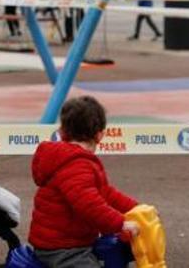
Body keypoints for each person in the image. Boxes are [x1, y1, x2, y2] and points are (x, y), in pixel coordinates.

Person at [29, 96, 140, 268]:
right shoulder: (75, 164)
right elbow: (89, 205)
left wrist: (136, 208)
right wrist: (121, 223)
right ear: (100, 135)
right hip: (61, 248)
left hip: (75, 241)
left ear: (62, 131)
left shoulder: (74, 160)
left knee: (118, 249)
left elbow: (105, 192)